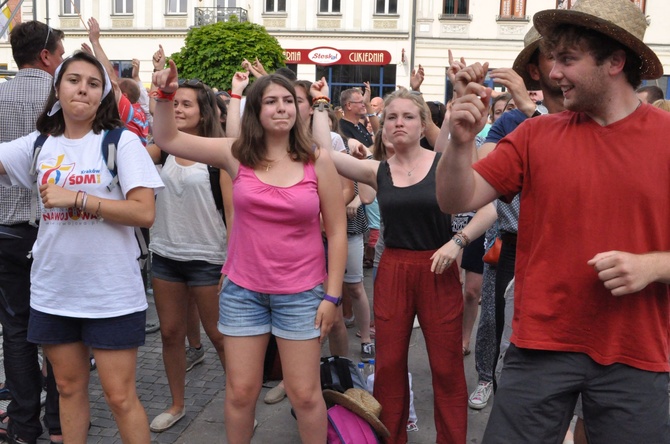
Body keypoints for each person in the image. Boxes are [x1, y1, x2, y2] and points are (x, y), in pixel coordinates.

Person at [437, 0, 670, 442]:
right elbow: (456, 199)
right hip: (540, 345)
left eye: (567, 60)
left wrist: (653, 266)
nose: (552, 74)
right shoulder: (535, 134)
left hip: (636, 353)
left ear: (615, 62)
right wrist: (461, 143)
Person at [152, 61, 347, 443]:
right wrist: (164, 94)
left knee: (305, 395)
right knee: (241, 392)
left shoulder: (316, 158)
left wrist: (333, 295)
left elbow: (337, 232)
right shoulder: (235, 153)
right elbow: (169, 138)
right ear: (256, 109)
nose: (281, 107)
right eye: (271, 101)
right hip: (243, 292)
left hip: (303, 293)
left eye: (288, 100)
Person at [0, 50, 162, 443]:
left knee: (120, 396)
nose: (83, 89)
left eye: (93, 84)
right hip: (54, 291)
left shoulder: (119, 142)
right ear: (57, 88)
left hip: (111, 292)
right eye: (73, 80)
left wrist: (78, 198)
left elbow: (144, 212)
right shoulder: (39, 144)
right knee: (68, 390)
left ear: (102, 94)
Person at [329, 86, 467, 444]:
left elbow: (485, 205)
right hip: (393, 269)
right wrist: (316, 104)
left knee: (447, 367)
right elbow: (321, 153)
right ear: (383, 126)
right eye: (392, 117)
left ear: (424, 125)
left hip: (438, 267)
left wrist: (457, 241)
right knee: (388, 366)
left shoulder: (443, 163)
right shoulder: (378, 170)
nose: (399, 123)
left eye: (408, 116)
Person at [147, 78, 232, 432]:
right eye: (175, 104)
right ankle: (177, 403)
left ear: (204, 112)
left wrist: (233, 260)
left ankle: (238, 403)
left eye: (186, 105)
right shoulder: (161, 149)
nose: (179, 110)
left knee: (219, 337)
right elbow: (123, 153)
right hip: (165, 254)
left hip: (209, 259)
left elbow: (233, 214)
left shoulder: (219, 154)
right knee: (170, 333)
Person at [0, 20, 64, 444]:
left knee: (16, 331)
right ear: (45, 56)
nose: (61, 62)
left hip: (6, 231)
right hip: (54, 228)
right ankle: (62, 421)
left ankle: (24, 424)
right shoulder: (61, 98)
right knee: (61, 325)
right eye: (59, 55)